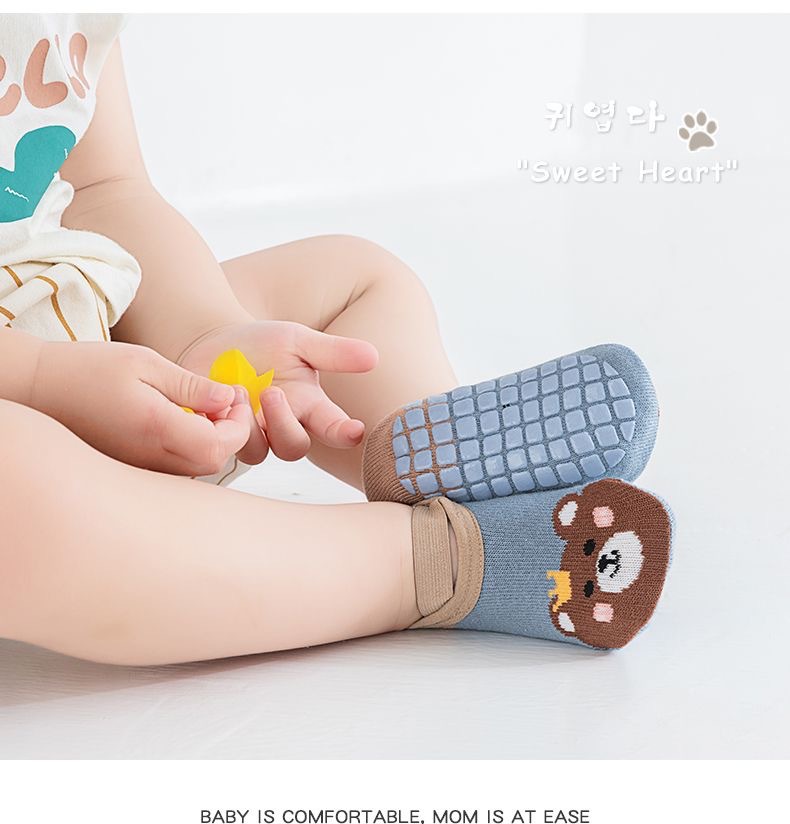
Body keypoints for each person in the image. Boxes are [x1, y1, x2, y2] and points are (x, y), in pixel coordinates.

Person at [0, 14, 672, 665]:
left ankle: (430, 470)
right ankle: (439, 560)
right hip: (26, 425)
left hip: (90, 336)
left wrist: (204, 332)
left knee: (350, 280)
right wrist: (41, 380)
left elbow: (105, 188)